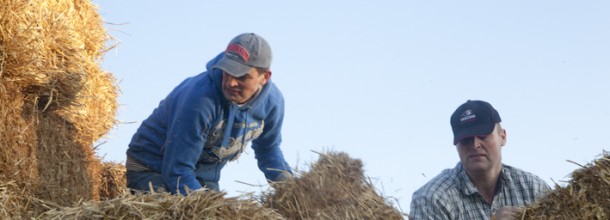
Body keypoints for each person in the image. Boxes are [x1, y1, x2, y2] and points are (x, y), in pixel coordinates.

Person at [125, 33, 292, 195]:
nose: (231, 82)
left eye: (242, 76)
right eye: (228, 72)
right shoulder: (201, 99)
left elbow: (268, 150)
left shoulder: (272, 103)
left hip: (201, 175)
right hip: (152, 166)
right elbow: (177, 170)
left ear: (265, 77)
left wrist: (292, 188)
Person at [409, 100, 550, 220]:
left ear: (503, 137)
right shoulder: (432, 199)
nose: (475, 144)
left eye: (483, 136)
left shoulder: (534, 190)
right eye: (466, 139)